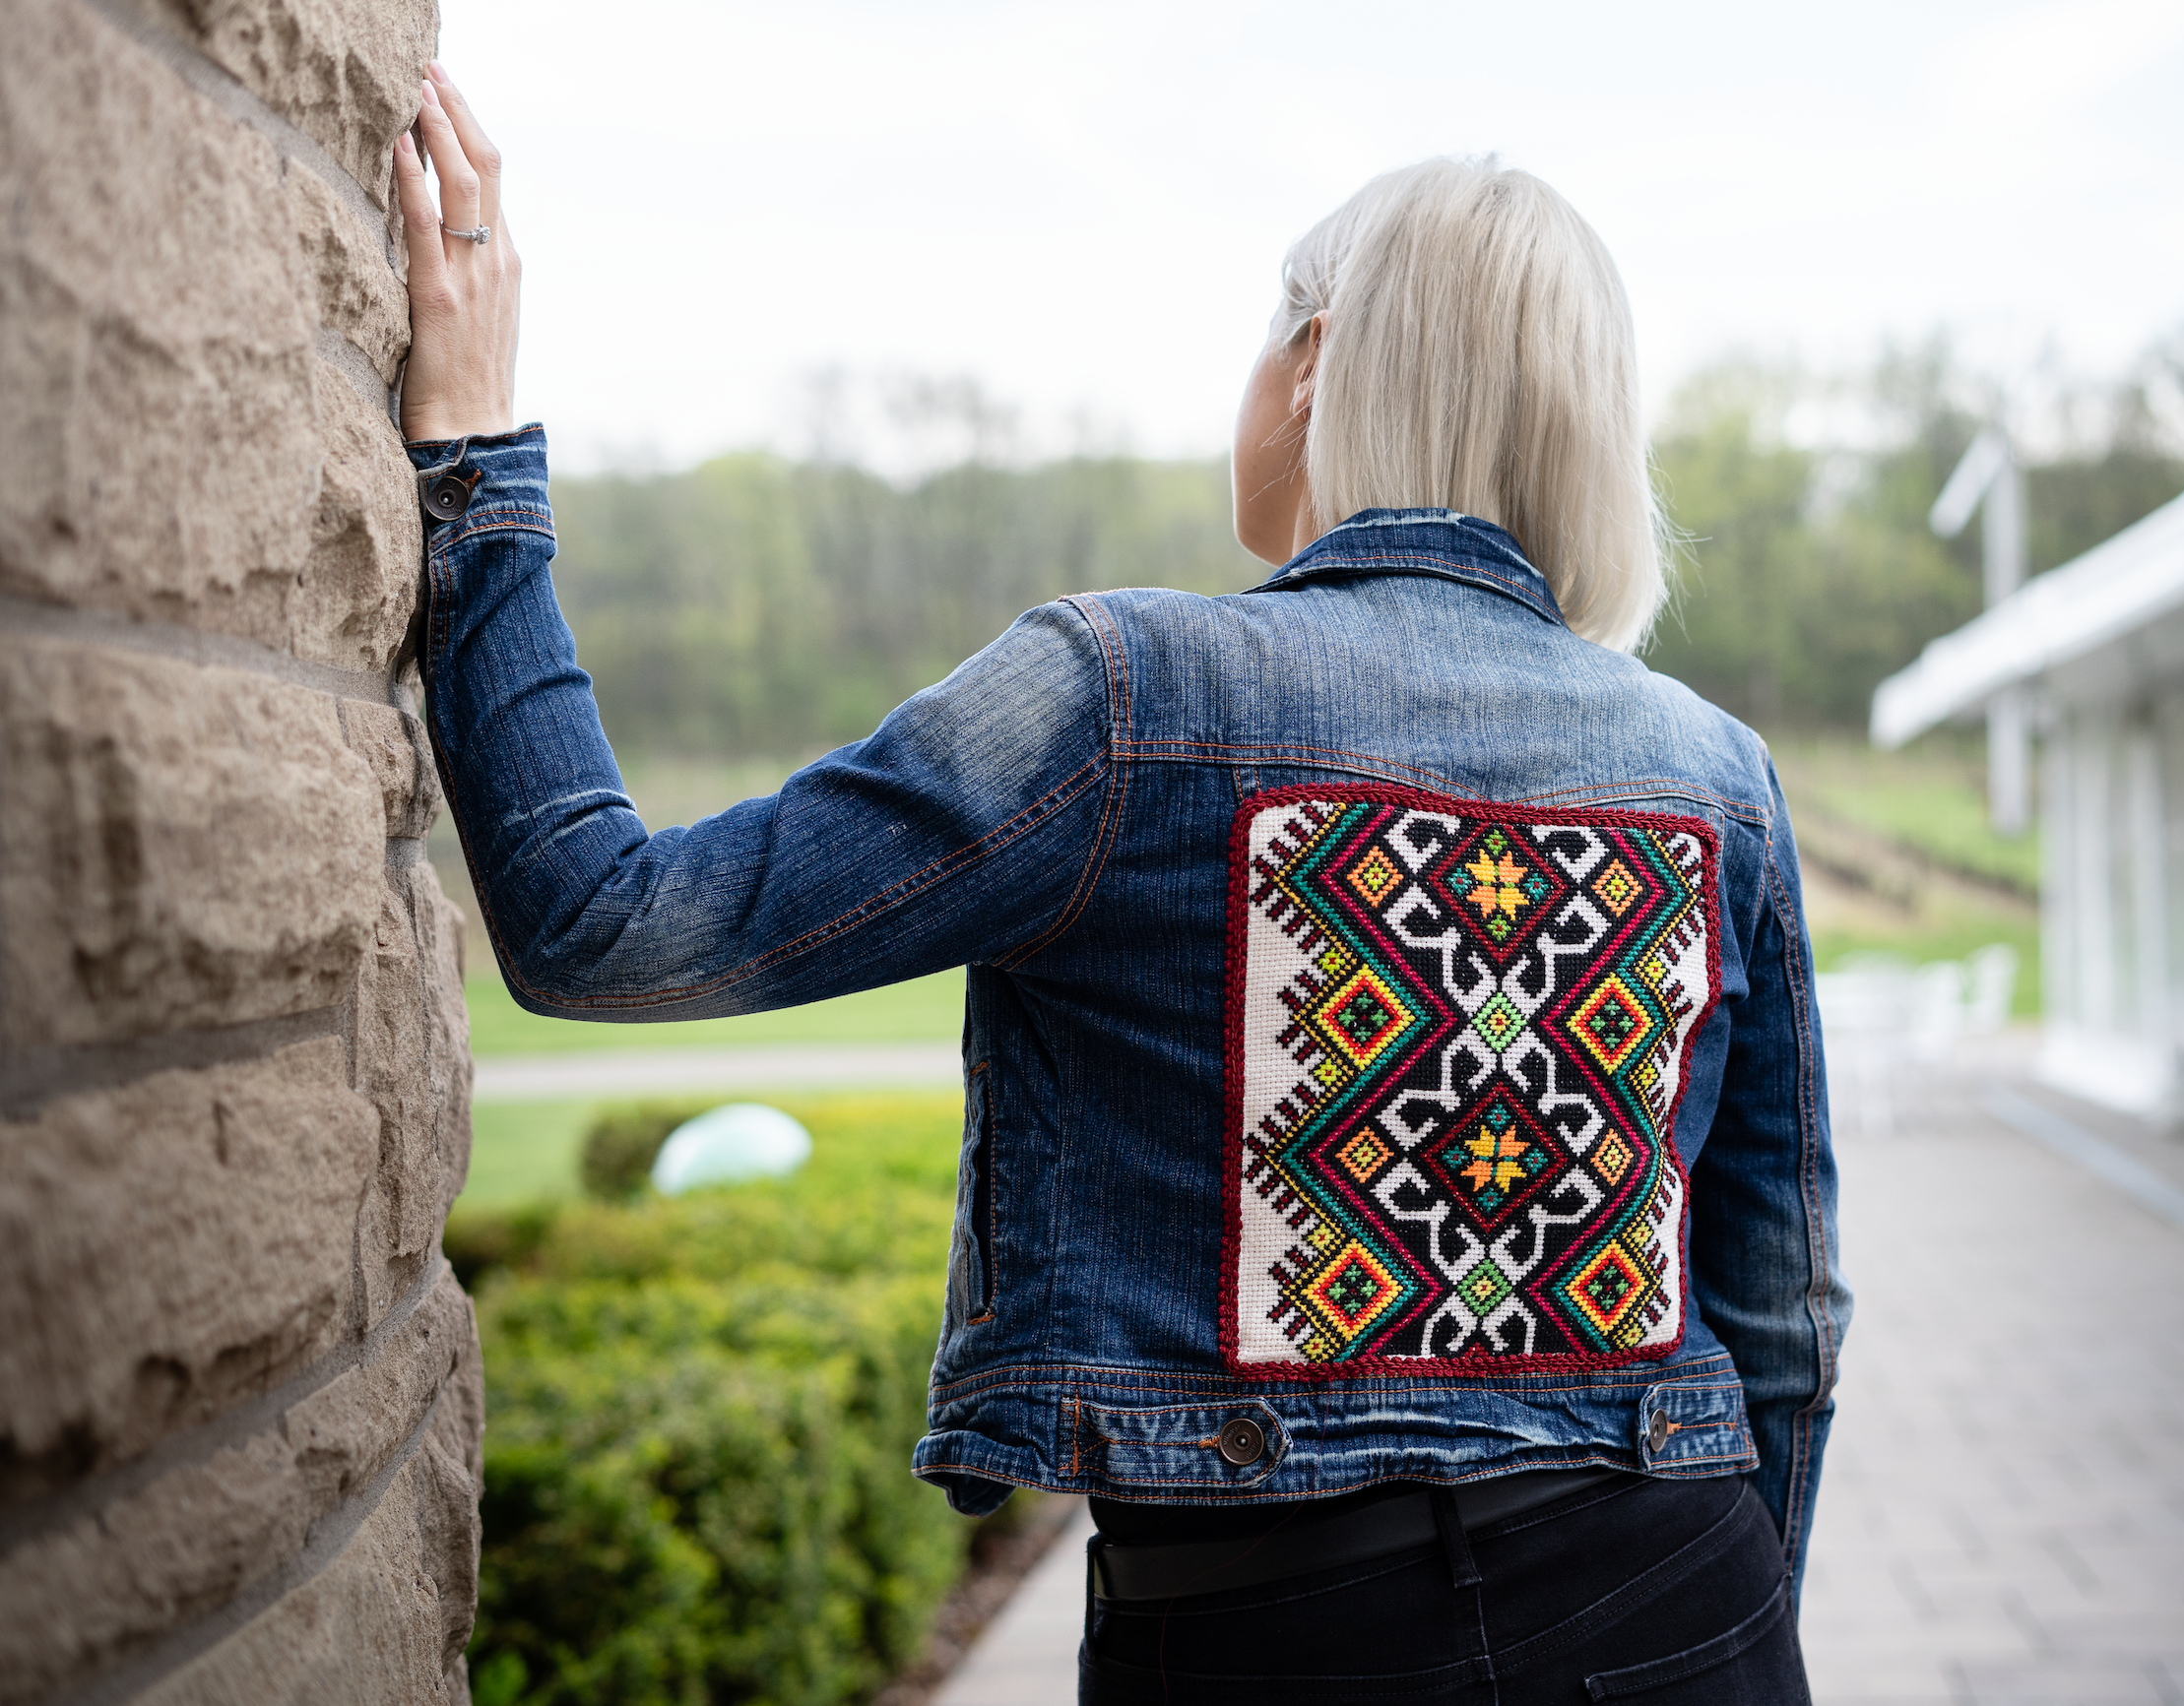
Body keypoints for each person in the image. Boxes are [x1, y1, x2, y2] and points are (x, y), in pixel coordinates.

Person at [398, 64, 1847, 1705]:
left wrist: (475, 466)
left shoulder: (1126, 700)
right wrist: (1738, 1631)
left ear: (1312, 367)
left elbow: (608, 925)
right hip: (1682, 1601)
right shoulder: (1712, 774)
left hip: (1264, 1635)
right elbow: (1783, 1313)